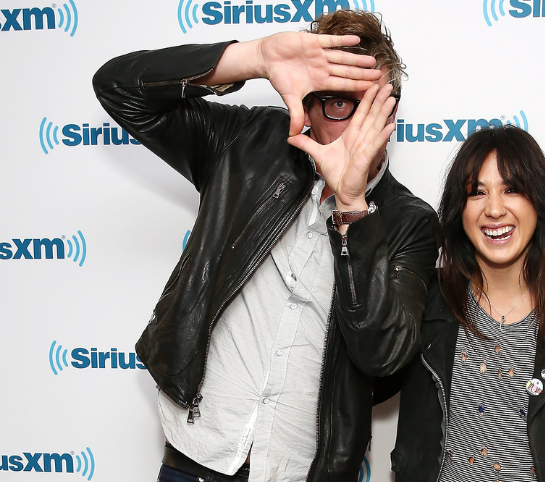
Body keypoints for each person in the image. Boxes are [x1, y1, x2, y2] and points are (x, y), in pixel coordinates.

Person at [92, 10, 438, 482]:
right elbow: (118, 88)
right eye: (338, 104)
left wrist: (353, 207)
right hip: (197, 458)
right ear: (307, 107)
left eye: (371, 105)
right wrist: (252, 57)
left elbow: (385, 356)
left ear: (391, 114)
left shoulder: (410, 222)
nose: (356, 125)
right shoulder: (247, 143)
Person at [386, 126, 545, 481]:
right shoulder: (430, 299)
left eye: (511, 189)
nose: (494, 209)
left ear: (539, 201)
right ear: (460, 209)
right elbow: (374, 362)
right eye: (477, 192)